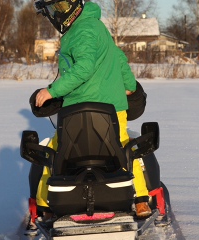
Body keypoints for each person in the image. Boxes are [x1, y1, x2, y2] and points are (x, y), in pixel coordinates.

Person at [28, 0, 151, 230]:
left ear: (75, 5)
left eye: (62, 7)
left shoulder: (82, 29)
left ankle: (44, 205)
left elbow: (84, 67)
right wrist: (128, 86)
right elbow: (120, 60)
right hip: (113, 110)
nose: (59, 13)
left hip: (78, 109)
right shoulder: (96, 27)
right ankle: (141, 199)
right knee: (123, 148)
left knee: (55, 151)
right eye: (56, 9)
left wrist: (52, 91)